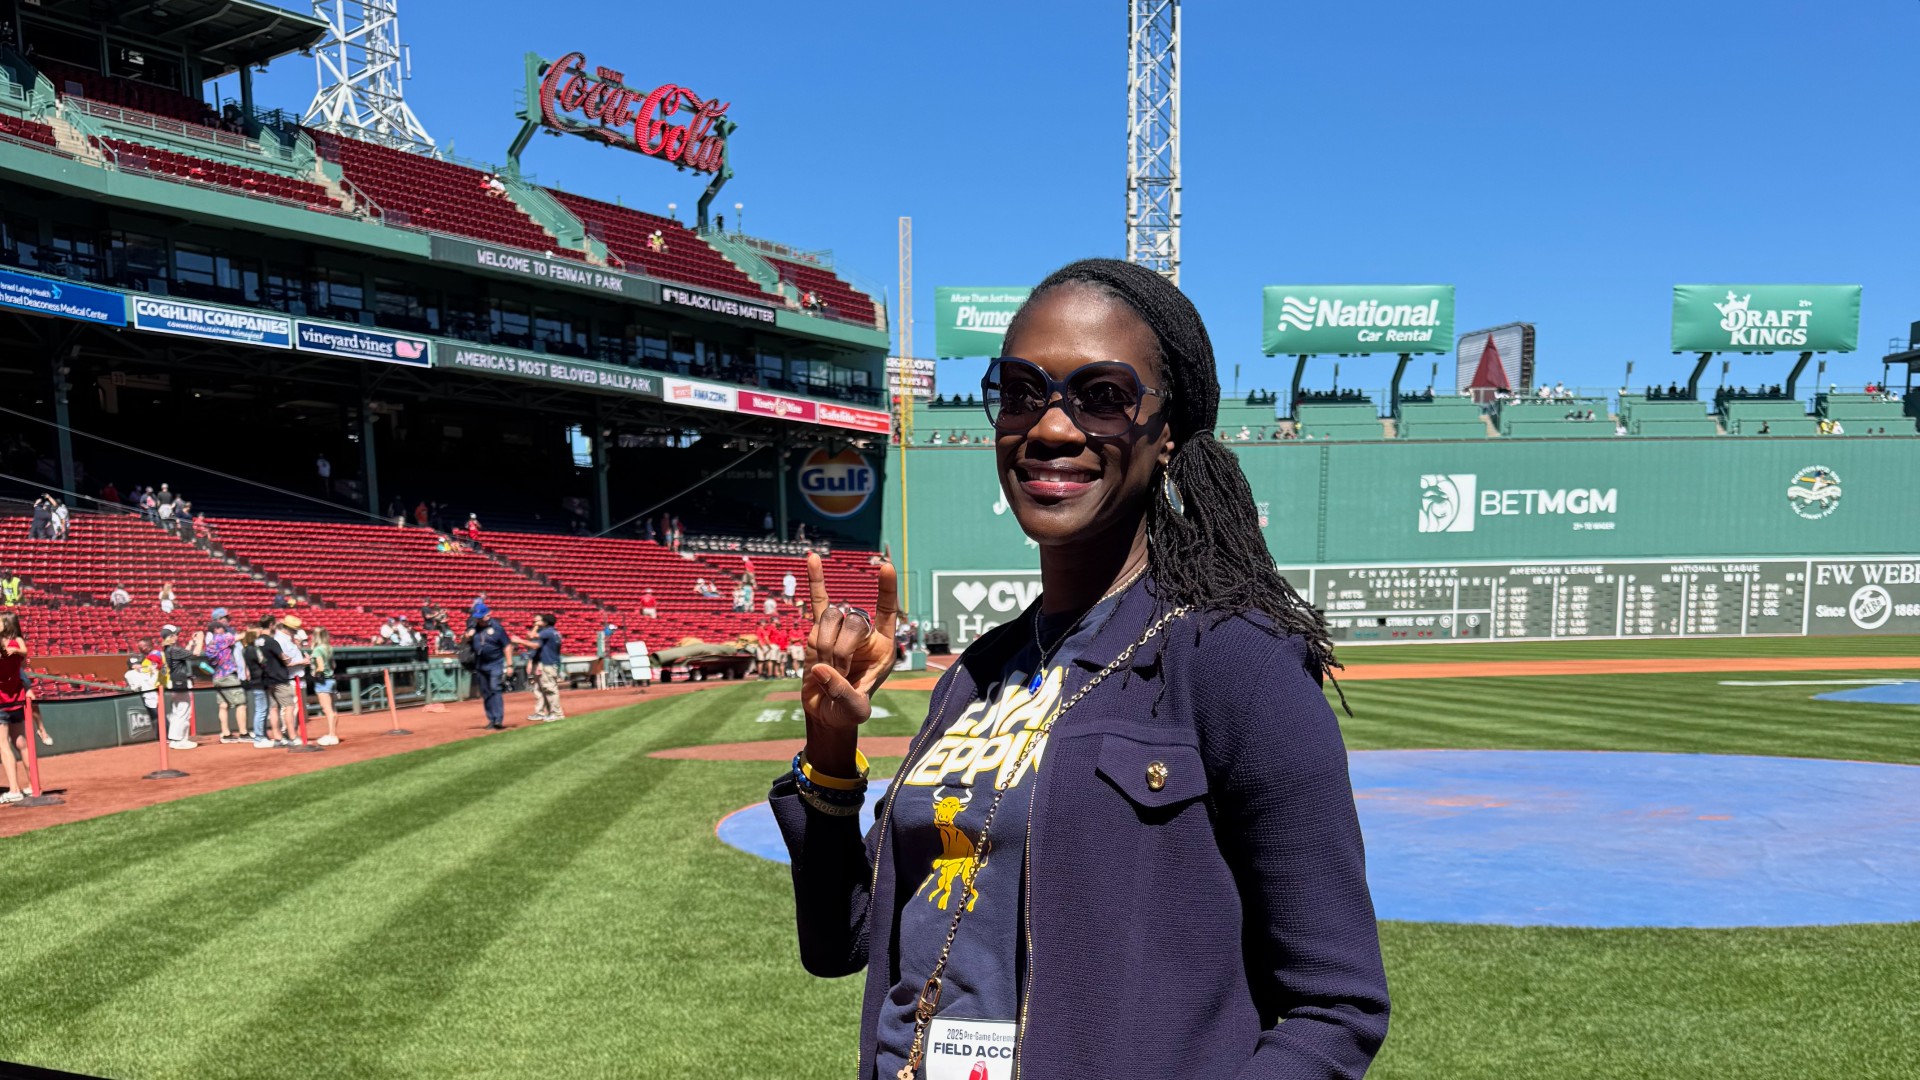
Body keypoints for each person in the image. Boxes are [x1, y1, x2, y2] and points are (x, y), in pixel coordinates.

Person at [772, 259, 1387, 1079]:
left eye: (1102, 394)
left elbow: (1335, 1006)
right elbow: (840, 940)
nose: (1052, 427)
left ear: (1166, 430)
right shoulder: (975, 676)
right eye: (1022, 391)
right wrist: (831, 754)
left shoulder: (1231, 659)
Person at [0, 614, 51, 801]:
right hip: (16, 697)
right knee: (21, 743)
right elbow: (21, 654)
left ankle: (14, 790)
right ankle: (33, 784)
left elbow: (16, 654)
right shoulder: (17, 643)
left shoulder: (12, 645)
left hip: (4, 700)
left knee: (3, 744)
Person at [158, 624, 204, 750]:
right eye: (175, 634)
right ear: (171, 636)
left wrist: (191, 643)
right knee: (183, 711)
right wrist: (200, 640)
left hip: (175, 681)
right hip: (180, 681)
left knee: (178, 711)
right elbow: (196, 654)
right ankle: (179, 740)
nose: (177, 636)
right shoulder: (173, 650)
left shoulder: (170, 649)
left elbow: (186, 653)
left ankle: (176, 738)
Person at [512, 614, 564, 722]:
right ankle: (550, 713)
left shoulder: (547, 632)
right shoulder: (553, 632)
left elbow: (532, 638)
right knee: (544, 688)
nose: (536, 623)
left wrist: (519, 641)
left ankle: (557, 714)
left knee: (550, 688)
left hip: (547, 663)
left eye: (539, 621)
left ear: (544, 622)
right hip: (549, 662)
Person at [467, 607, 511, 730]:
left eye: (481, 617)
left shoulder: (497, 628)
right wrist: (468, 636)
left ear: (488, 615)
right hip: (480, 664)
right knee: (485, 692)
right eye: (477, 617)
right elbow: (465, 641)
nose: (479, 619)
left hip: (495, 663)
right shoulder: (474, 628)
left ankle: (498, 719)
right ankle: (491, 719)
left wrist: (509, 665)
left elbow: (507, 646)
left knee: (495, 689)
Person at [205, 617, 248, 744]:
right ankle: (243, 733)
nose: (224, 629)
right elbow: (240, 637)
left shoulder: (211, 642)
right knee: (241, 703)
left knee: (223, 705)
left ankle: (226, 734)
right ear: (216, 629)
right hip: (227, 675)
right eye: (222, 627)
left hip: (217, 676)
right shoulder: (220, 638)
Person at [308, 627, 340, 745]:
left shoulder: (317, 650)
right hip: (331, 680)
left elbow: (320, 667)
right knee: (333, 709)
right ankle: (333, 734)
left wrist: (314, 674)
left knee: (327, 709)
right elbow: (333, 665)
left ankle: (331, 735)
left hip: (323, 682)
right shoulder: (329, 648)